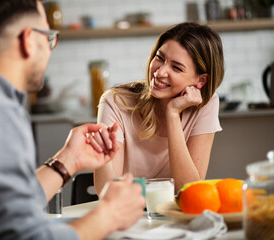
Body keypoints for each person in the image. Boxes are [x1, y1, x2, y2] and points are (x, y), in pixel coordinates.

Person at [0, 0, 145, 239]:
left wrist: (67, 160)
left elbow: (4, 206)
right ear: (28, 41)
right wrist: (110, 215)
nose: (50, 48)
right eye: (48, 37)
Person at [92, 22, 225, 194]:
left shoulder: (206, 104)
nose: (160, 72)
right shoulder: (115, 101)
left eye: (176, 68)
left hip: (173, 215)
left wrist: (173, 114)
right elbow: (107, 190)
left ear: (201, 80)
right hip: (126, 210)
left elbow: (189, 190)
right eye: (159, 58)